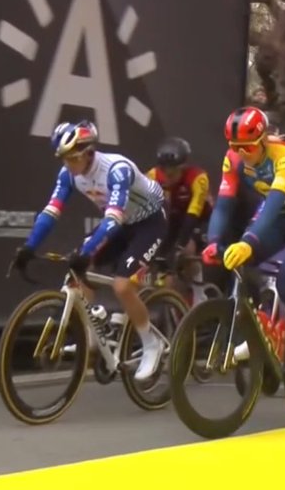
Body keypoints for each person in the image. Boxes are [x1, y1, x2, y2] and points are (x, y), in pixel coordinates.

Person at [11, 121, 169, 381]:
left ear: (88, 152)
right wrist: (29, 246)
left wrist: (88, 250)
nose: (68, 165)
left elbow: (113, 218)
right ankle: (91, 338)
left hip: (148, 223)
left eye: (72, 158)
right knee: (77, 272)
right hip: (121, 222)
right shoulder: (68, 174)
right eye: (63, 159)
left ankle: (151, 343)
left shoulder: (116, 170)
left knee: (122, 286)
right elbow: (51, 213)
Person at [205, 107, 285, 397]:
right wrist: (214, 241)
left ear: (263, 139)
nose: (242, 153)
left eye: (248, 146)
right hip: (279, 218)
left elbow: (273, 202)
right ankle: (258, 333)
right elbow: (224, 205)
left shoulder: (284, 156)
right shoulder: (233, 159)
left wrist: (247, 240)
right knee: (237, 263)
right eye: (235, 147)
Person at [146, 137, 211, 302]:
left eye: (173, 172)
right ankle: (176, 304)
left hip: (199, 220)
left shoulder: (198, 177)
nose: (168, 175)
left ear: (182, 167)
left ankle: (199, 293)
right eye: (164, 170)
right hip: (172, 220)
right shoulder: (153, 176)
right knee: (165, 268)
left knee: (187, 249)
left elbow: (193, 214)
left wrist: (180, 246)